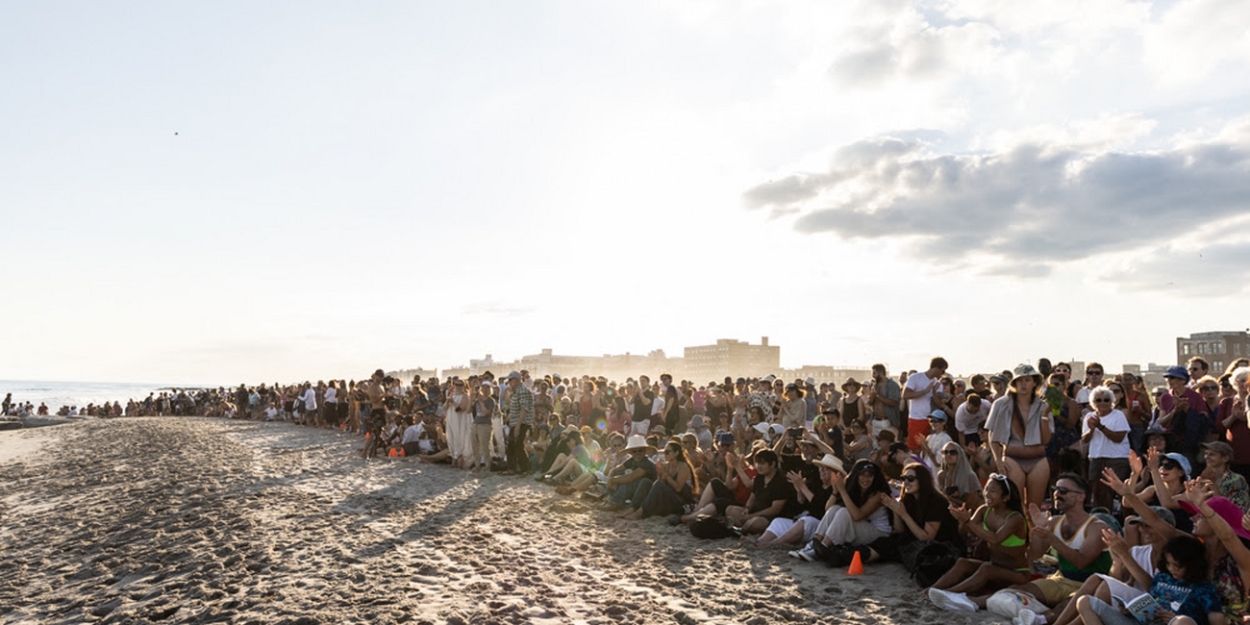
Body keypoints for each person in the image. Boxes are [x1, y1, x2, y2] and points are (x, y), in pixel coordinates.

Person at [1075, 534, 1222, 625]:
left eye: (1177, 566)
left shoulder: (1204, 589)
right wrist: (1131, 611)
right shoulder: (1162, 578)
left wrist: (1175, 618)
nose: (1172, 569)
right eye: (1169, 564)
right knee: (1085, 601)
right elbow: (1150, 603)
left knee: (1182, 622)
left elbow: (1218, 622)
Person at [928, 473, 1030, 599]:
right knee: (963, 562)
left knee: (986, 568)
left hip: (1016, 574)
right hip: (995, 566)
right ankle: (931, 590)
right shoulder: (984, 510)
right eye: (986, 489)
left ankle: (948, 594)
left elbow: (995, 538)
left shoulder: (1015, 518)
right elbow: (963, 532)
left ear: (1006, 498)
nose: (986, 493)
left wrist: (968, 522)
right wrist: (961, 519)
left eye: (992, 491)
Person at [792, 459, 892, 565]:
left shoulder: (877, 494)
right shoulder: (855, 490)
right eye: (862, 475)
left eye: (869, 476)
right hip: (863, 528)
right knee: (836, 509)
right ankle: (815, 543)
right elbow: (828, 510)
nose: (866, 479)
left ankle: (822, 548)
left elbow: (857, 516)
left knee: (844, 512)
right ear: (856, 476)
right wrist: (835, 491)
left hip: (879, 535)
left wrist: (843, 491)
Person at [986, 364, 1053, 507]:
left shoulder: (1043, 406)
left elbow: (1046, 440)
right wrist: (998, 460)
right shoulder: (1000, 404)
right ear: (1014, 382)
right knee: (1016, 505)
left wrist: (1045, 416)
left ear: (1034, 382)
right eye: (1020, 380)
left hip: (1038, 458)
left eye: (1027, 380)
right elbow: (992, 436)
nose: (1023, 384)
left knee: (1034, 507)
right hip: (1012, 457)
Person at [1083, 385, 1131, 512]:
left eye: (1106, 400)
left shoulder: (1118, 415)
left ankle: (1124, 519)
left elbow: (1119, 437)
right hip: (1096, 458)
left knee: (1119, 492)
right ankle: (1103, 519)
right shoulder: (1089, 417)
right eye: (1098, 400)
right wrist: (1092, 429)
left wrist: (1100, 427)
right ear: (1093, 403)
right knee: (1099, 493)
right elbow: (1085, 439)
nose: (1102, 403)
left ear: (1112, 401)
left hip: (1116, 458)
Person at [725, 449, 796, 535]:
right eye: (757, 463)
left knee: (755, 523)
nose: (759, 466)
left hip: (771, 517)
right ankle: (743, 527)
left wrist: (751, 516)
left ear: (772, 464)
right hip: (756, 511)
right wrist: (747, 509)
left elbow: (775, 509)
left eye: (762, 463)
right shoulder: (759, 478)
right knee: (730, 510)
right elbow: (752, 498)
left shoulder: (781, 481)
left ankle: (741, 529)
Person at [903, 357, 949, 451]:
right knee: (915, 448)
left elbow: (939, 405)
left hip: (932, 420)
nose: (942, 374)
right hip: (916, 419)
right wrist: (924, 391)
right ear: (937, 368)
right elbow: (905, 395)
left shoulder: (937, 384)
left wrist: (934, 392)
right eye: (942, 370)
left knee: (930, 448)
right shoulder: (915, 377)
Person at [504, 371, 534, 475]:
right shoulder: (516, 391)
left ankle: (526, 468)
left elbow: (524, 410)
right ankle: (511, 468)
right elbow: (509, 403)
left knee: (518, 445)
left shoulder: (523, 391)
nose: (509, 382)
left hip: (522, 422)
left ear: (516, 380)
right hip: (515, 421)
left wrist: (518, 426)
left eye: (510, 380)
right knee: (512, 445)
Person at [936, 441, 983, 509]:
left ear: (960, 455)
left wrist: (948, 498)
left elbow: (973, 504)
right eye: (945, 452)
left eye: (952, 452)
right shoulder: (942, 475)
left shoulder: (969, 475)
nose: (948, 455)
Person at [867, 363, 903, 434]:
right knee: (876, 444)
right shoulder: (875, 385)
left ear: (881, 372)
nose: (872, 375)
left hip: (887, 421)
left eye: (874, 373)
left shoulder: (892, 385)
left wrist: (877, 395)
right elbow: (870, 403)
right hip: (875, 420)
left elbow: (893, 402)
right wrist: (871, 397)